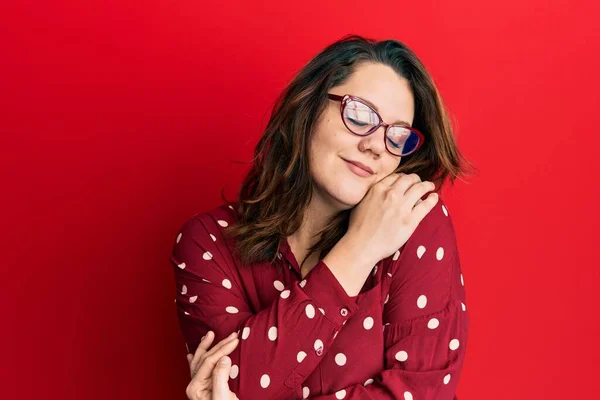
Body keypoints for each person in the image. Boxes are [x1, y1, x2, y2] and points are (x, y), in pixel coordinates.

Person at [170, 34, 475, 400]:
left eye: (396, 135)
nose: (376, 145)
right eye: (360, 114)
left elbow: (422, 395)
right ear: (309, 106)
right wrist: (358, 251)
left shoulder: (413, 219)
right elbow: (234, 385)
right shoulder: (208, 242)